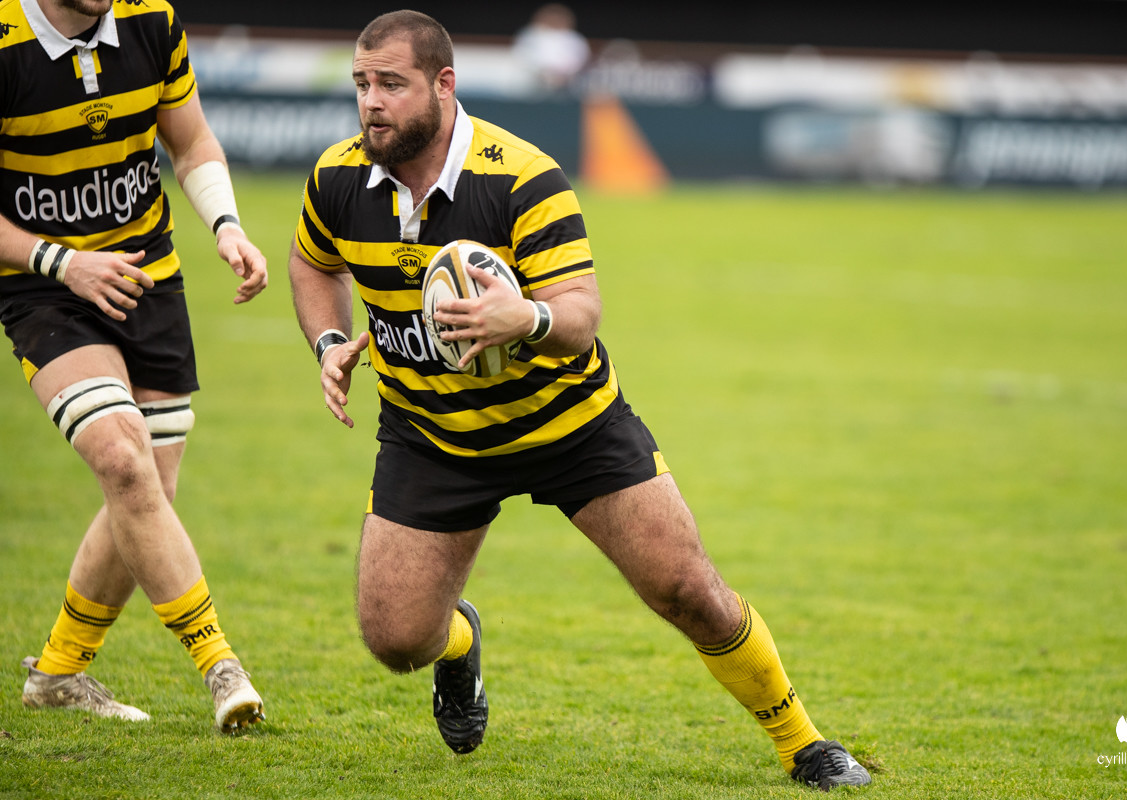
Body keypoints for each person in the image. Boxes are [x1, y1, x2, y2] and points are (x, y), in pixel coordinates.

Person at [288, 9, 871, 790]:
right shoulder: (337, 177)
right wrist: (329, 343)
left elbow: (580, 315)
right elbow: (309, 262)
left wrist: (521, 316)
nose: (371, 103)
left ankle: (804, 742)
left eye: (390, 84)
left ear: (442, 83)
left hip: (571, 427)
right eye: (362, 84)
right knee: (395, 639)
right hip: (434, 436)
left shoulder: (521, 175)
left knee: (687, 589)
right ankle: (459, 646)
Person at [0, 0, 267, 732]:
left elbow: (191, 140)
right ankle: (220, 665)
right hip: (42, 284)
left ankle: (58, 670)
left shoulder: (152, 20)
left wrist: (227, 226)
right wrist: (63, 262)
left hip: (148, 274)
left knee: (152, 485)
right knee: (123, 461)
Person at [511, 3, 590, 91]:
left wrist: (563, 74)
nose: (555, 20)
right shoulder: (531, 35)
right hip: (533, 82)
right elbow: (523, 55)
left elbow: (579, 58)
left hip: (567, 82)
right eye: (552, 17)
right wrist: (543, 72)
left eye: (558, 18)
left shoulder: (573, 38)